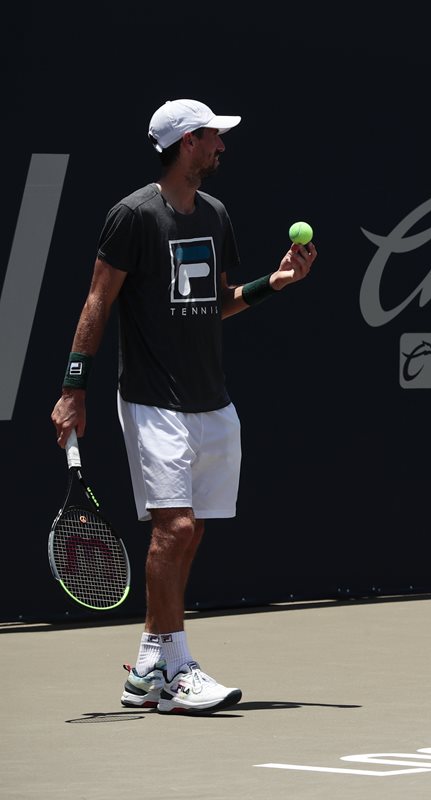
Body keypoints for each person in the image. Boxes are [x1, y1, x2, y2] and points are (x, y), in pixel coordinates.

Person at [50, 99, 316, 713]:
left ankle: (149, 664)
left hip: (211, 399)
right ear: (187, 143)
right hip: (153, 399)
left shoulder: (216, 215)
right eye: (213, 136)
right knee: (171, 527)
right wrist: (72, 387)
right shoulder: (133, 216)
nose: (222, 146)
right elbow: (97, 301)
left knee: (191, 530)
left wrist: (273, 285)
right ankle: (177, 670)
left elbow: (215, 303)